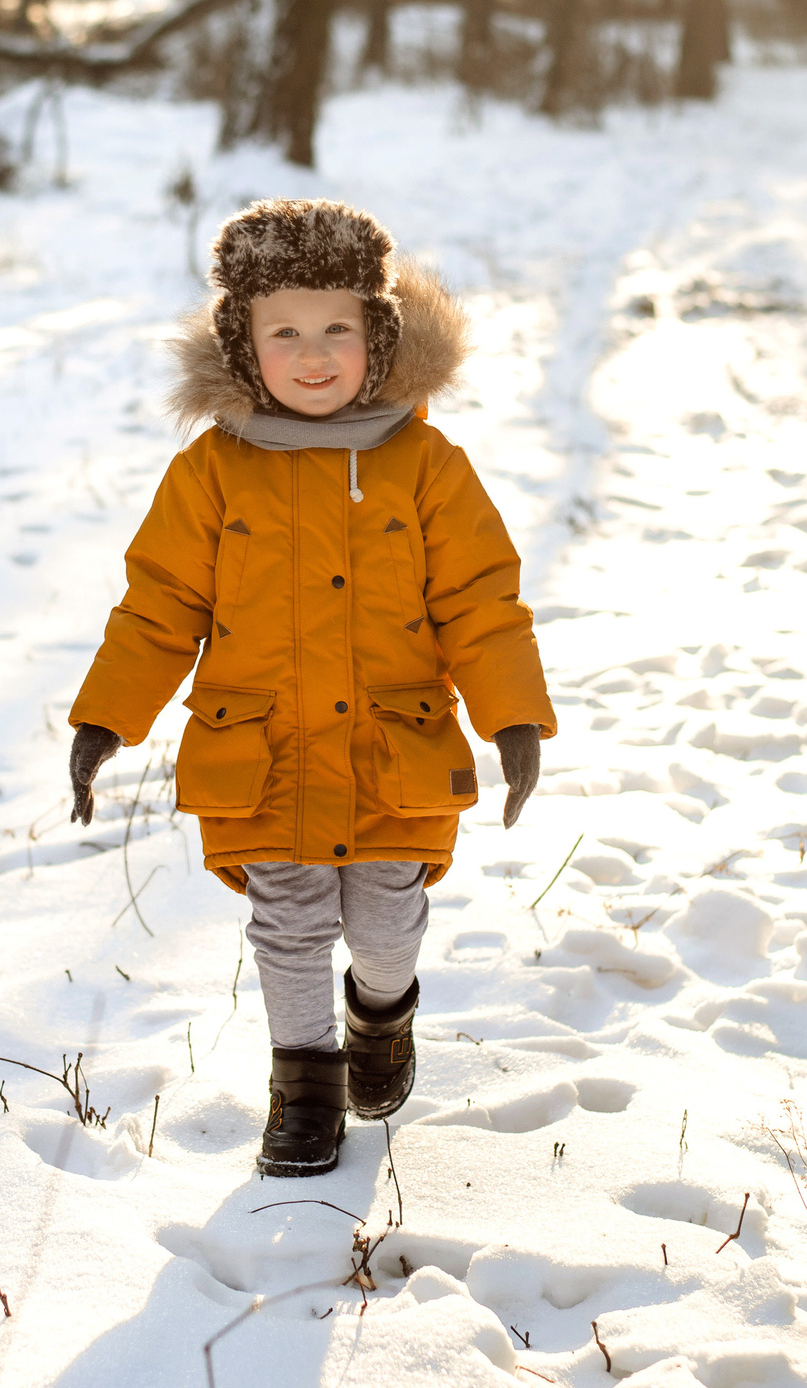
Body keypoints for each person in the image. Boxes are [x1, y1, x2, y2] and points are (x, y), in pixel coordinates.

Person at [65, 199, 554, 1177]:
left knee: (382, 923)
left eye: (337, 327)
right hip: (265, 755)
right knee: (286, 924)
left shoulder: (425, 465)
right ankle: (304, 1088)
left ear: (377, 336)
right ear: (244, 350)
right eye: (283, 331)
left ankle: (382, 1010)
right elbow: (158, 606)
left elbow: (481, 599)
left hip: (393, 753)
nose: (313, 353)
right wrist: (105, 719)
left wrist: (511, 715)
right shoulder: (211, 472)